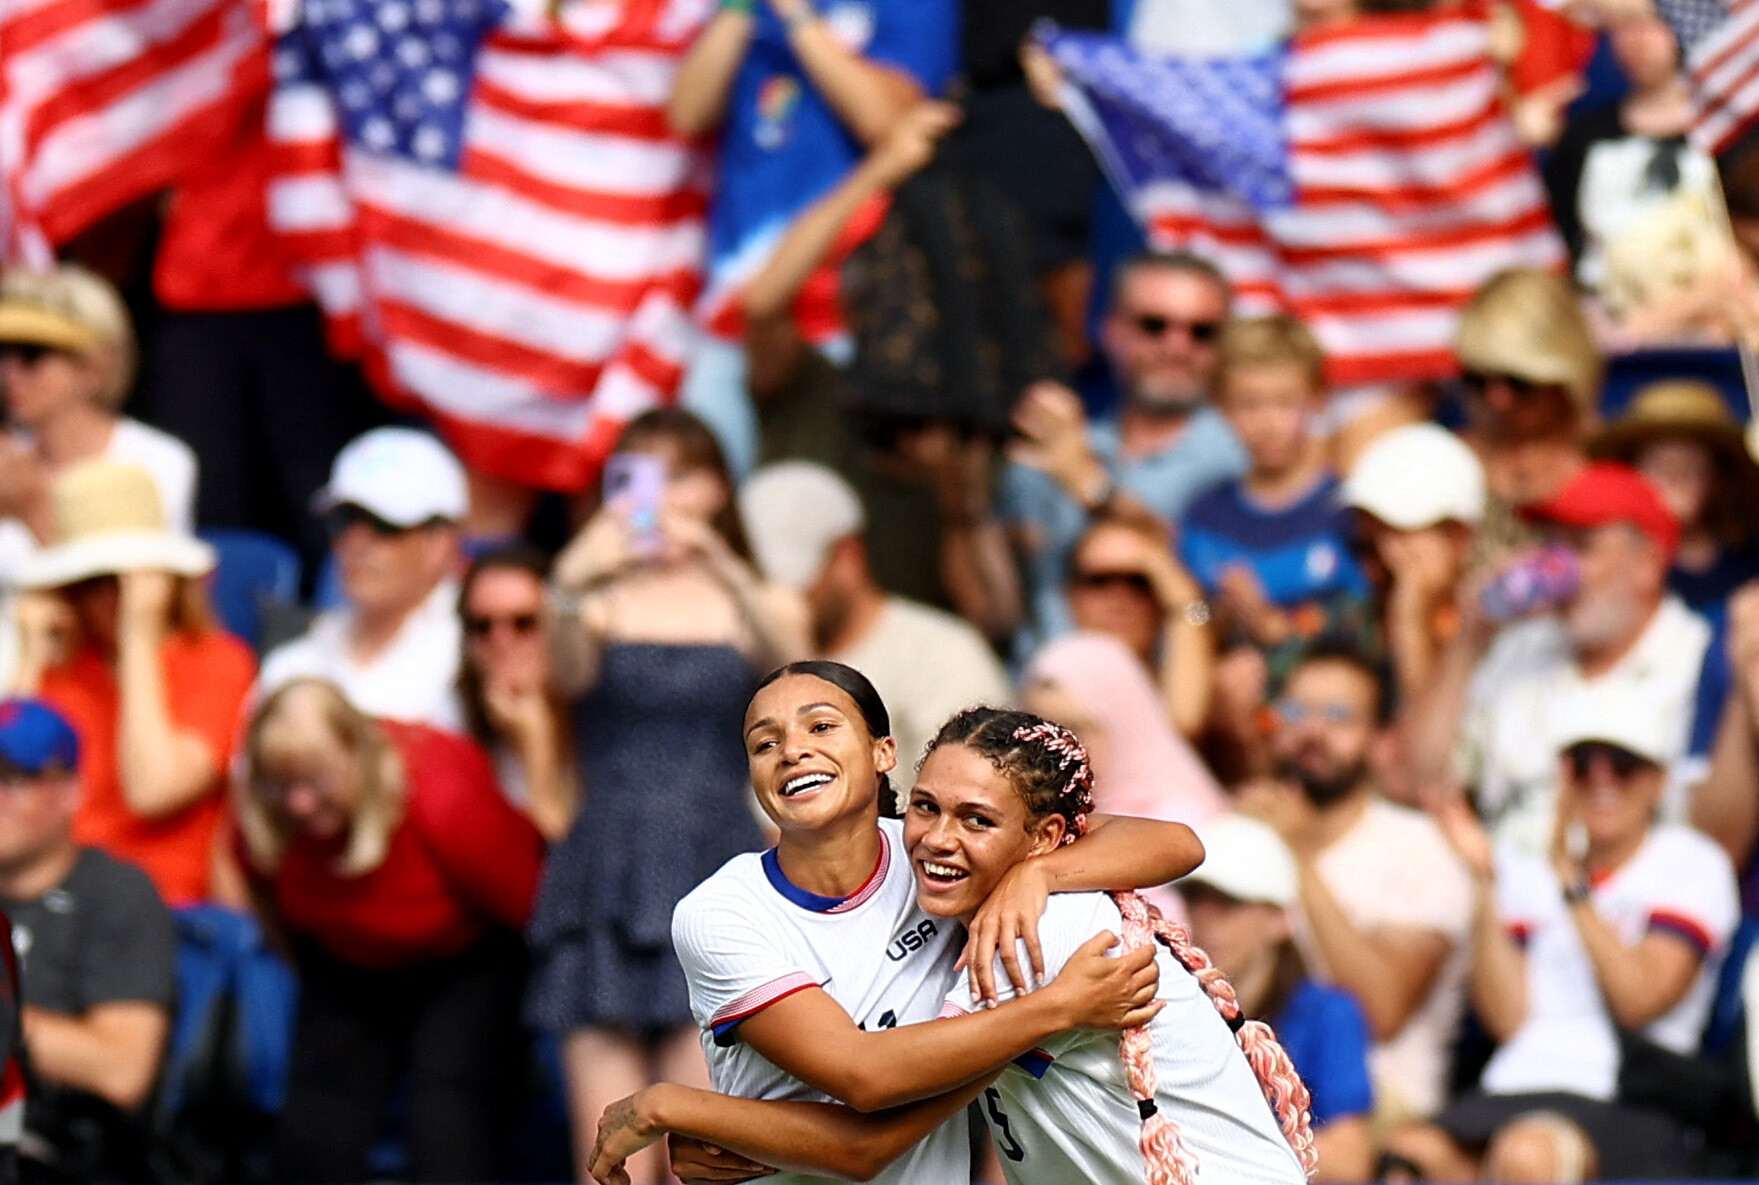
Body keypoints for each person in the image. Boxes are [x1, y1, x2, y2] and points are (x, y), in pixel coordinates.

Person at [589, 704, 1313, 1185]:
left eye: (976, 819)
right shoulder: (1001, 907)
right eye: (926, 806)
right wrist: (759, 1146)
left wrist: (669, 1105)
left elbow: (864, 1139)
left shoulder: (1039, 939)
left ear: (1046, 835)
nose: (936, 838)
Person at [534, 408, 808, 1184]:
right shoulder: (594, 599)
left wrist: (718, 559)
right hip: (607, 867)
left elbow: (799, 669)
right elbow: (564, 673)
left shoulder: (750, 597)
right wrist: (571, 575)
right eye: (641, 473)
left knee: (700, 1148)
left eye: (680, 472)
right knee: (606, 1151)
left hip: (714, 858)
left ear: (718, 485)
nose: (663, 494)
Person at [1388, 700, 1740, 1181]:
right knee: (1405, 1157)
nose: (1601, 780)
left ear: (1658, 781)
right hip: (1516, 1083)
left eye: (1622, 765)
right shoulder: (1530, 873)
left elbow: (1639, 1000)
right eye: (1582, 766)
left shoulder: (1691, 863)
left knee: (1526, 1156)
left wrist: (1574, 886)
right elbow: (1507, 1021)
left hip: (1625, 1096)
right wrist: (1488, 881)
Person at [235, 679, 545, 1185]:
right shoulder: (264, 814)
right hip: (344, 961)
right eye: (283, 785)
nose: (301, 805)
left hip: (464, 961)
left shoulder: (441, 794)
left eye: (318, 783)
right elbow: (266, 894)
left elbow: (529, 906)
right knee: (313, 1137)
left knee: (446, 1125)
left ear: (359, 757)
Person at [1402, 462, 1711, 852]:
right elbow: (1417, 782)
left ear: (1647, 564)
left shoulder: (1695, 659)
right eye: (1552, 546)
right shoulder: (1521, 645)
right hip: (1502, 889)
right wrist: (1468, 639)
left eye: (1582, 548)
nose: (1559, 568)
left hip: (1627, 900)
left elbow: (1710, 835)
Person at [1240, 641, 1473, 1126]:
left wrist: (1296, 854)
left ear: (1381, 741)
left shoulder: (1420, 849)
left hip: (1377, 1105)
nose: (1311, 731)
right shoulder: (1245, 828)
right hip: (1247, 1082)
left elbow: (1380, 1009)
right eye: (1296, 711)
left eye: (1339, 716)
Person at [9, 461, 254, 907]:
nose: (105, 599)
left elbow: (153, 791)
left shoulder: (219, 661)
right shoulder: (58, 671)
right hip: (51, 908)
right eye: (87, 582)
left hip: (168, 911)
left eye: (119, 580)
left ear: (160, 579)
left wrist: (138, 638)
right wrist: (28, 660)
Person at [1002, 251, 1248, 644]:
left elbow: (1215, 600)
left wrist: (1094, 487)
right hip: (1034, 684)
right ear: (1109, 330)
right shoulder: (1065, 441)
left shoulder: (1237, 454)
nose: (1178, 347)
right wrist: (964, 504)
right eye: (1154, 326)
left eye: (1202, 332)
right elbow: (1005, 609)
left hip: (1156, 695)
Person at [738, 460, 1011, 772]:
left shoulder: (942, 655)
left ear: (848, 555)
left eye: (796, 584)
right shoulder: (740, 660)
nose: (778, 603)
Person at [0, 697, 175, 1178]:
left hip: (60, 1151)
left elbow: (122, 1068)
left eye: (11, 780)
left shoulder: (117, 894)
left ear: (69, 791)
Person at [1180, 813, 1375, 1183]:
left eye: (1228, 903)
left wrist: (1215, 1144)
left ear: (1281, 919)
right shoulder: (1172, 1004)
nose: (1205, 918)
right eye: (1196, 899)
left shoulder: (1329, 1013)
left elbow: (1350, 1161)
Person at [1178, 315, 1369, 672]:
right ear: (1222, 406)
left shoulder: (1349, 513)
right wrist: (1216, 616)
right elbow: (1185, 623)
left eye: (1285, 403)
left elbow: (1366, 634)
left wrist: (1272, 625)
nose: (1268, 423)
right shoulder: (1205, 516)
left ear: (1317, 399)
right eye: (1249, 404)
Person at [257, 428, 469, 729]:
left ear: (440, 543)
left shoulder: (479, 651)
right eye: (344, 520)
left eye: (384, 524)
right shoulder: (294, 662)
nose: (355, 542)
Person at [0, 265, 197, 581]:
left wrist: (31, 510)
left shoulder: (155, 461)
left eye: (31, 353)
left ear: (94, 367)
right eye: (3, 353)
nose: (10, 373)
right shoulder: (7, 460)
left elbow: (129, 599)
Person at [1450, 268, 1597, 568]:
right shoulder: (1451, 465)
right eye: (1479, 380)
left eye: (1517, 381)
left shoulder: (1614, 457)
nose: (1497, 399)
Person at [1340, 422, 1487, 711]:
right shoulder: (1350, 617)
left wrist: (1411, 619)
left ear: (1459, 537)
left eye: (1400, 530)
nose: (1384, 554)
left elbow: (1432, 744)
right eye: (1367, 543)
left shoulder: (1491, 626)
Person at [1588, 381, 1759, 620]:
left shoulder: (1749, 553)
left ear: (1718, 481)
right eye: (1660, 467)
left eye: (1691, 468)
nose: (1675, 480)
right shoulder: (1614, 558)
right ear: (1629, 474)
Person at [1021, 631, 1224, 831]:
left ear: (1125, 724)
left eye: (1075, 731)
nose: (1054, 751)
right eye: (1040, 735)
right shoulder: (1047, 823)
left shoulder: (1180, 825)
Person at [456, 545, 579, 842]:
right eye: (482, 626)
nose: (502, 641)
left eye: (524, 623)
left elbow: (570, 858)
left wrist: (536, 744)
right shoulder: (449, 723)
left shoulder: (604, 728)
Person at [1062, 509, 1216, 739]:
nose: (1120, 598)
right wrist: (1189, 608)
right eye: (1100, 581)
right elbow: (1178, 728)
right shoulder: (1055, 685)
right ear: (1071, 595)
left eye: (1140, 581)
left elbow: (1184, 723)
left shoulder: (1211, 691)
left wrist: (1188, 605)